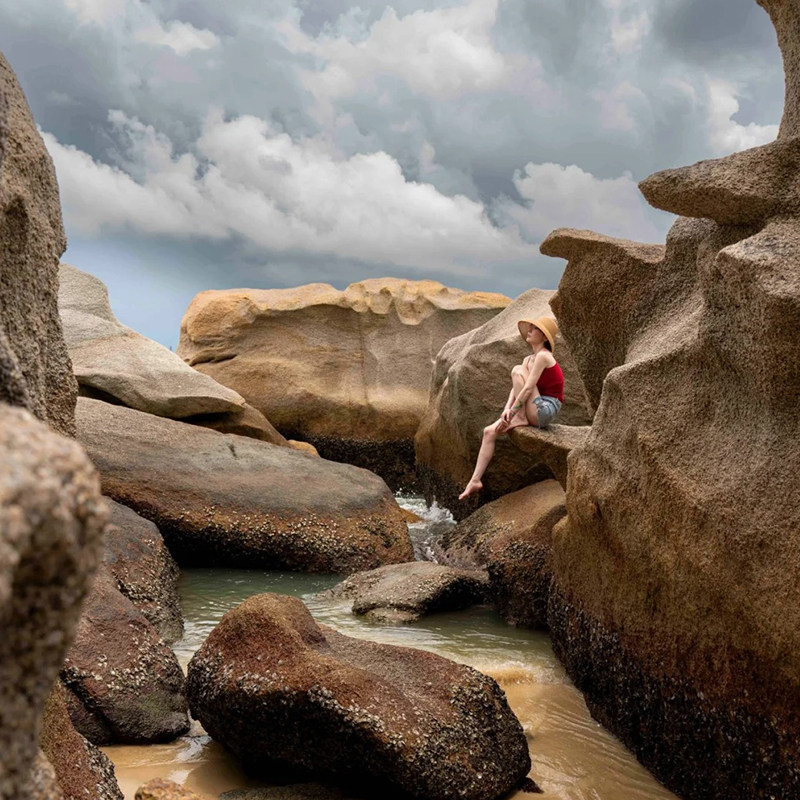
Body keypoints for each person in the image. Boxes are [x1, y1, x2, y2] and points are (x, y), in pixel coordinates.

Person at [458, 316, 564, 501]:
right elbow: (516, 389)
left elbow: (529, 388)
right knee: (489, 431)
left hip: (545, 409)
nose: (529, 331)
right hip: (532, 406)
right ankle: (475, 481)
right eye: (529, 328)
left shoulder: (544, 356)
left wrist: (514, 412)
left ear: (545, 337)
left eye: (534, 328)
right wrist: (506, 410)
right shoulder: (528, 359)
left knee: (517, 370)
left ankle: (522, 417)